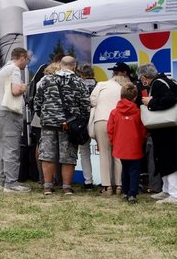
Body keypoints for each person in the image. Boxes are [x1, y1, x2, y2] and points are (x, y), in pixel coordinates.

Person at [33, 56, 90, 196]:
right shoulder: (79, 82)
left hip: (48, 123)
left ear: (60, 65)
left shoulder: (46, 80)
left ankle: (47, 186)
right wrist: (80, 121)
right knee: (68, 157)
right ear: (74, 66)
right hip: (70, 125)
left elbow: (37, 102)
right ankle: (67, 187)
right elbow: (85, 105)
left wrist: (45, 116)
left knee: (47, 155)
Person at [0, 47, 30, 192]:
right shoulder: (15, 69)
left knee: (3, 148)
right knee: (12, 148)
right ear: (22, 57)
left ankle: (3, 181)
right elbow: (15, 90)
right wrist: (24, 88)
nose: (27, 63)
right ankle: (11, 183)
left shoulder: (3, 69)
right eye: (27, 59)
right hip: (9, 113)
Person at [137, 63, 177, 204]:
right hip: (166, 129)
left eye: (141, 79)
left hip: (167, 129)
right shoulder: (167, 80)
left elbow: (170, 99)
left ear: (144, 77)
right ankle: (166, 190)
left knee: (169, 159)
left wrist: (151, 102)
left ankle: (174, 193)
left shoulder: (158, 83)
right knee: (163, 159)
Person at [107, 83, 146, 204]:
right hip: (135, 145)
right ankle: (132, 194)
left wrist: (114, 142)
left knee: (125, 169)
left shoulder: (114, 112)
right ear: (135, 97)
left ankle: (125, 192)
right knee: (134, 170)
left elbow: (110, 130)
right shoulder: (139, 112)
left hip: (120, 146)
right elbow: (143, 130)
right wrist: (141, 140)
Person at [90, 71, 125, 195]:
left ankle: (107, 186)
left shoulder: (101, 84)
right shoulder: (122, 88)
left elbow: (92, 101)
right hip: (118, 120)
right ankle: (119, 185)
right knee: (118, 154)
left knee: (104, 153)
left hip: (101, 119)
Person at [76, 64, 98, 189]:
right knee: (105, 151)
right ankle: (107, 181)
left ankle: (88, 181)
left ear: (80, 74)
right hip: (96, 119)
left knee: (84, 151)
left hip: (82, 121)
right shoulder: (99, 85)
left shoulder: (77, 85)